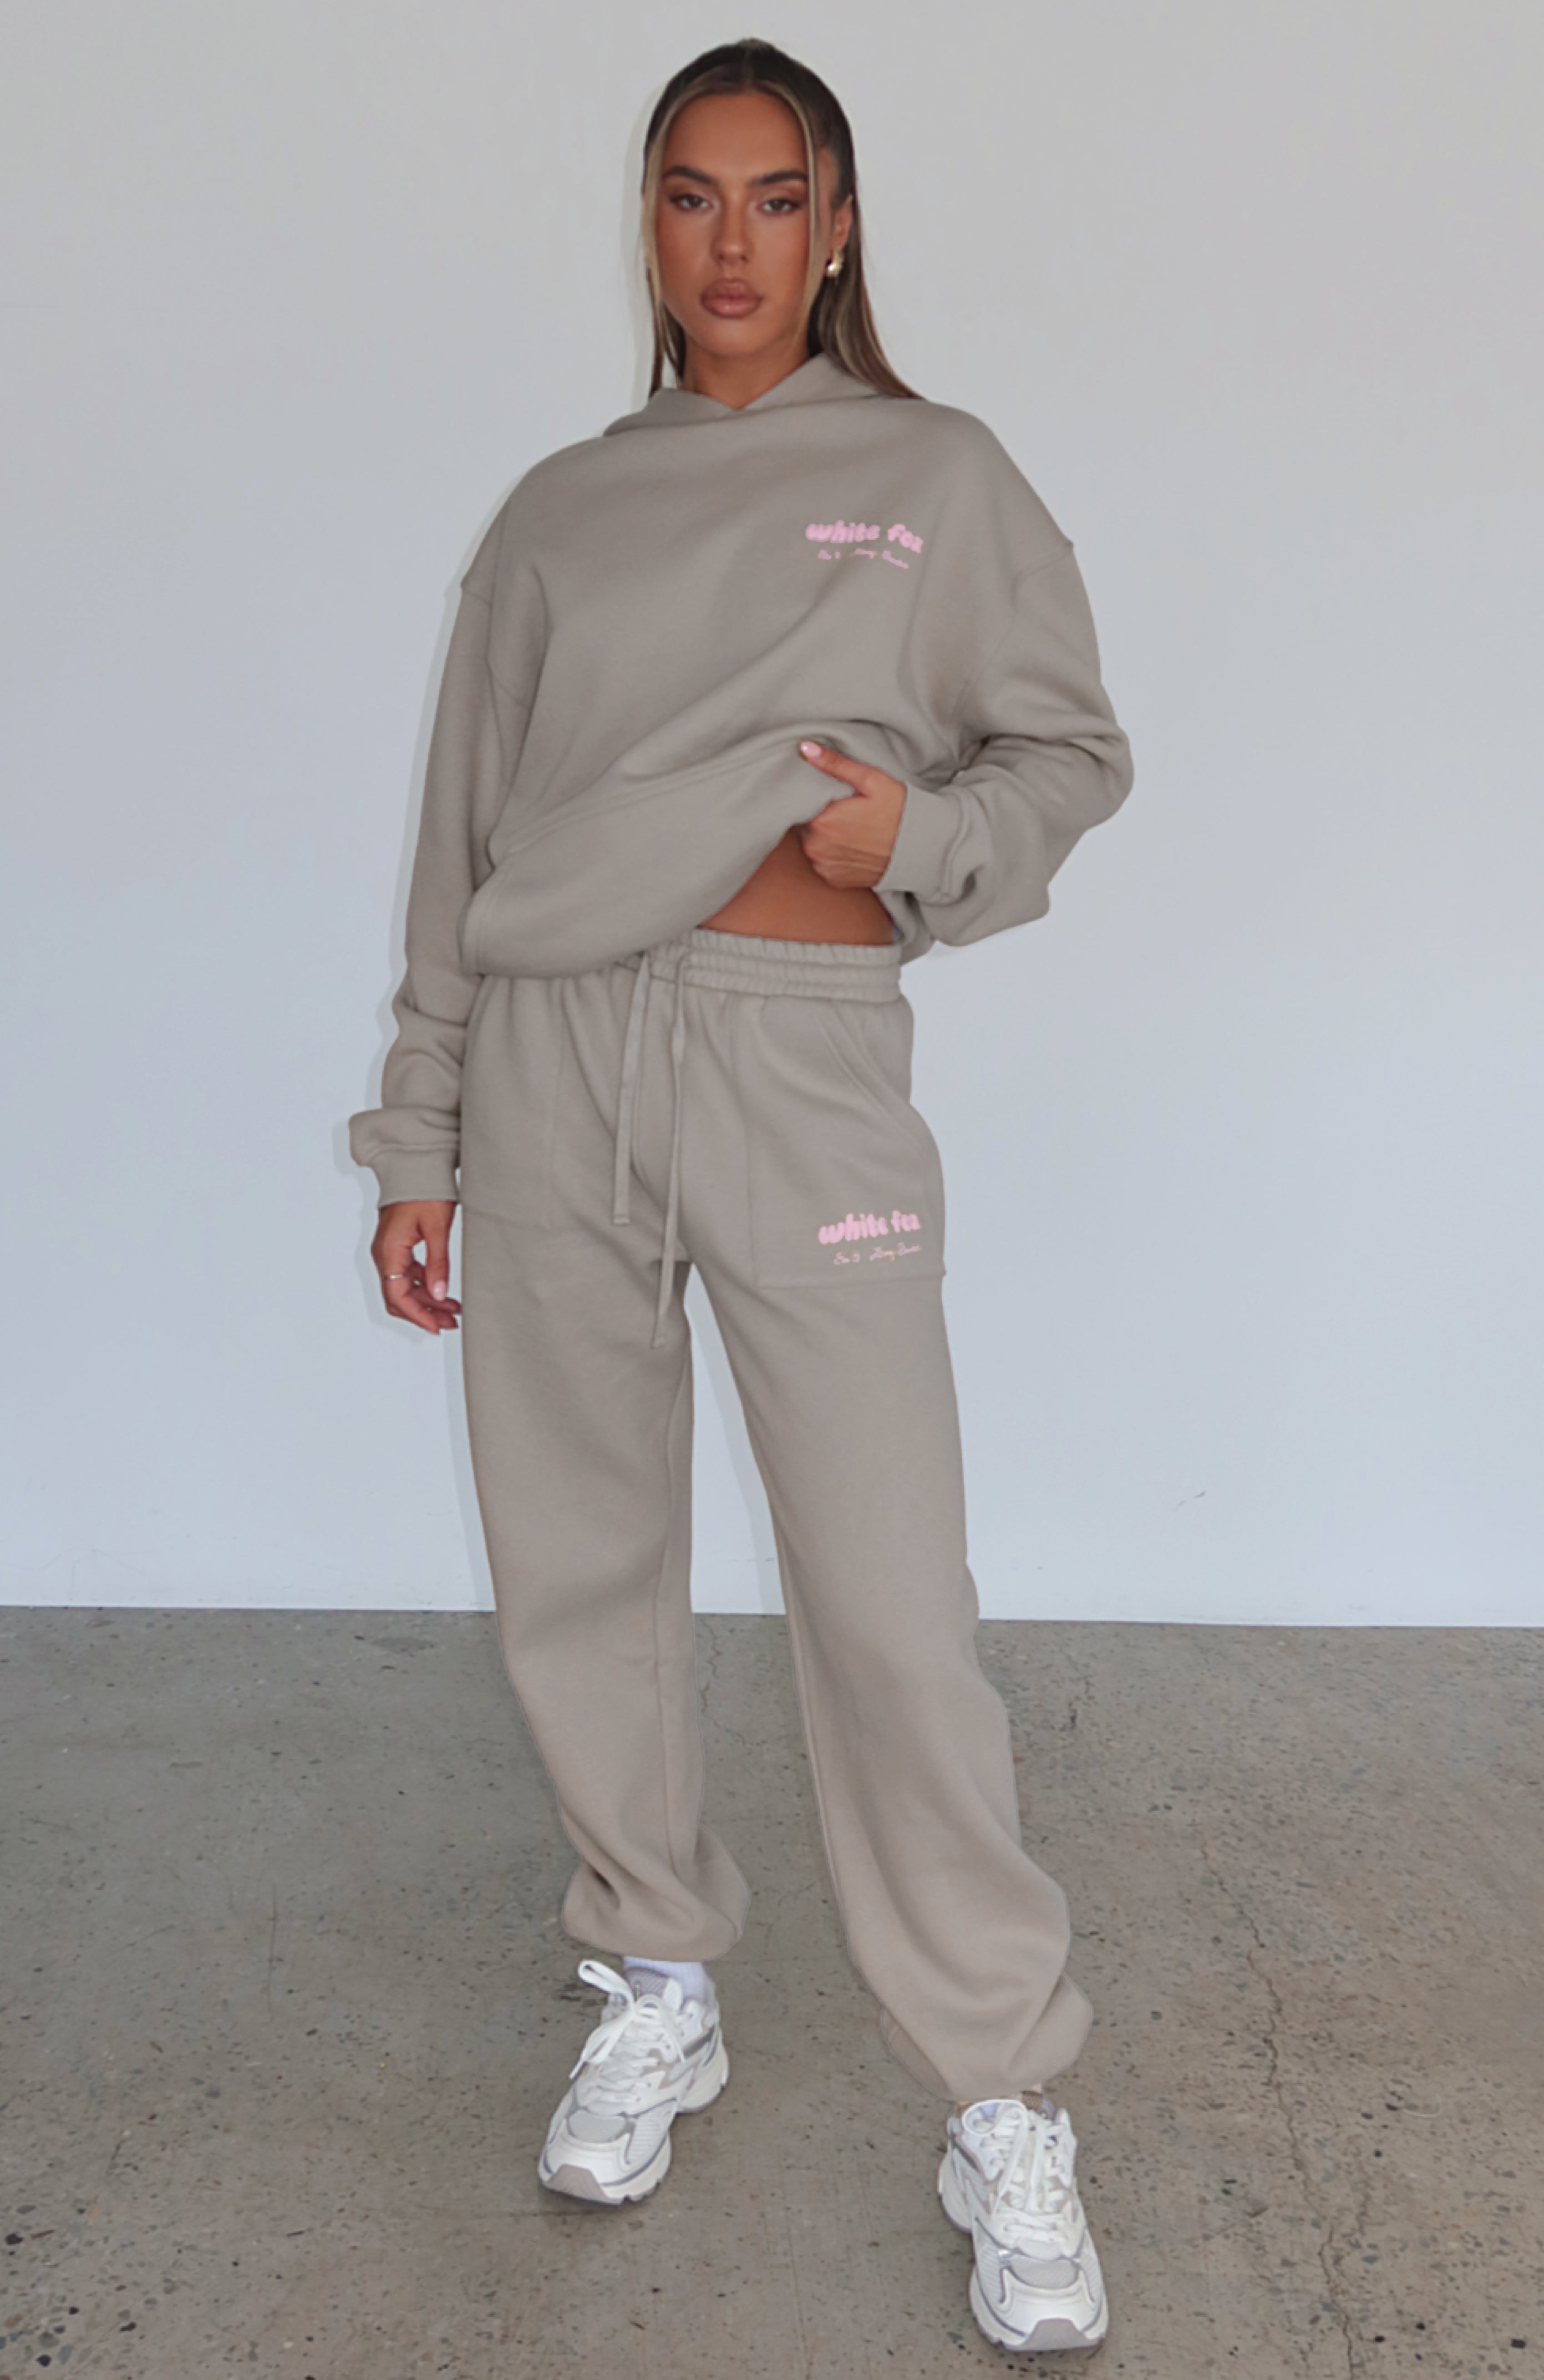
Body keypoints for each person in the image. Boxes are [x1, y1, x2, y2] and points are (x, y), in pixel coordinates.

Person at [348, 37, 1134, 2358]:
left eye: (775, 198)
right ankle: (657, 1969)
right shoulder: (560, 513)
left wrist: (926, 842)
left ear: (840, 223)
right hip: (554, 1055)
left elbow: (1069, 752)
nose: (729, 245)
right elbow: (460, 845)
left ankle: (999, 2087)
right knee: (579, 1563)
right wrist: (422, 1132)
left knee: (888, 1600)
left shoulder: (935, 476)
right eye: (689, 197)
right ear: (650, 222)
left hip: (801, 1064)